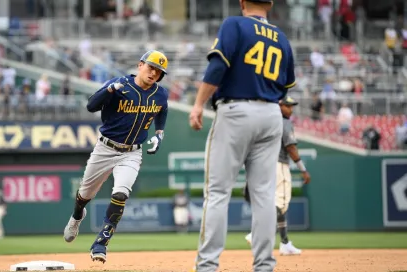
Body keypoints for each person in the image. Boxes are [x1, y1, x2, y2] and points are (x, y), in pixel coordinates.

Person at [188, 0, 296, 271]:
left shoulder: (234, 24)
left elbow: (217, 67)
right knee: (263, 195)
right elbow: (286, 86)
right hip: (272, 114)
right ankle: (264, 265)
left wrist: (199, 103)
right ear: (269, 5)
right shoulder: (281, 38)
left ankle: (207, 266)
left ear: (242, 2)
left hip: (236, 110)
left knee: (217, 192)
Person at [63, 50, 170, 264]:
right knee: (84, 194)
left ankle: (101, 243)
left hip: (132, 152)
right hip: (105, 148)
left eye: (158, 72)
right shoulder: (120, 84)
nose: (154, 73)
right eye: (151, 68)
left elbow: (162, 110)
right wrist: (109, 91)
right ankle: (77, 216)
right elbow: (91, 105)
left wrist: (159, 133)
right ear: (140, 65)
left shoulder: (160, 93)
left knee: (121, 194)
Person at [243, 95, 311, 256]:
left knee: (274, 204)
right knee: (281, 203)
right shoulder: (284, 122)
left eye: (291, 106)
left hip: (264, 164)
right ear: (279, 105)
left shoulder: (265, 120)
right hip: (279, 164)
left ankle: (285, 242)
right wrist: (303, 169)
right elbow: (291, 147)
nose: (291, 109)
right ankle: (257, 234)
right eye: (287, 106)